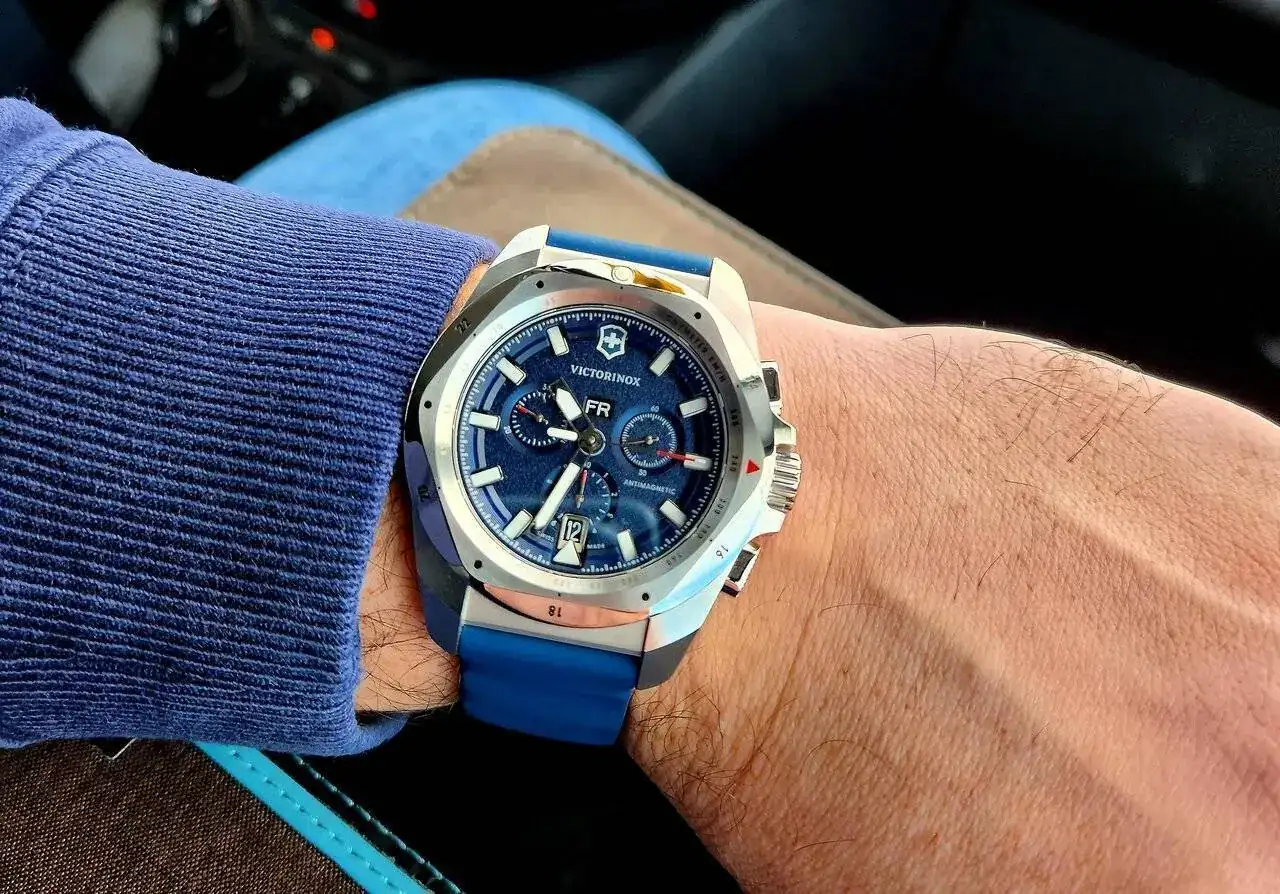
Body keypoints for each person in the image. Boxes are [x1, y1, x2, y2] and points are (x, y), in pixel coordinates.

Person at [1, 91, 1277, 891]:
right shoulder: (486, 420)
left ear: (760, 475)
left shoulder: (715, 467)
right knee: (506, 123)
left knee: (506, 124)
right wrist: (804, 605)